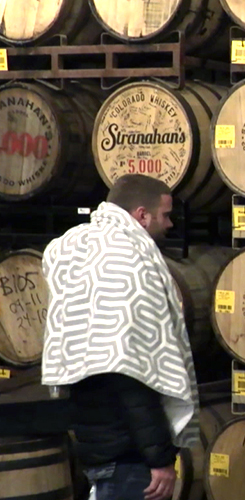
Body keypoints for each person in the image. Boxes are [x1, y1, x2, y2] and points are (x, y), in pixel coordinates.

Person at [41, 174, 199, 500]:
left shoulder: (78, 248)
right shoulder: (128, 262)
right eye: (166, 215)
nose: (170, 224)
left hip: (93, 434)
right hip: (127, 450)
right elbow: (133, 374)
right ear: (142, 215)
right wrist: (159, 458)